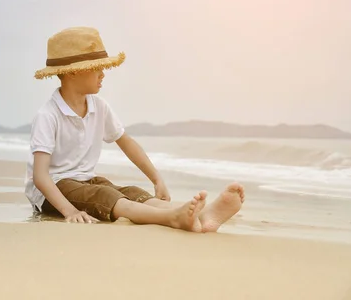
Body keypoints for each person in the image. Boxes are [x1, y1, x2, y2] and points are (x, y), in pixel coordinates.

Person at [25, 27, 245, 231]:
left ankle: (201, 216)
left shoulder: (98, 106)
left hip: (85, 180)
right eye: (97, 68)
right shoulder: (48, 115)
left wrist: (156, 179)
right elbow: (40, 177)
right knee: (104, 195)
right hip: (52, 192)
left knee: (127, 192)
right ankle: (173, 219)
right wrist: (70, 211)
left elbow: (127, 143)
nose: (103, 74)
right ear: (73, 72)